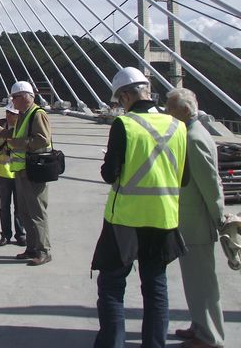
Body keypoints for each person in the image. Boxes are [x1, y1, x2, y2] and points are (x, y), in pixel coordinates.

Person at [92, 67, 187, 348]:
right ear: (147, 90)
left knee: (111, 287)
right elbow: (185, 177)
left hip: (125, 221)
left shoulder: (125, 125)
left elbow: (110, 174)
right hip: (164, 219)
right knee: (156, 288)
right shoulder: (178, 126)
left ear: (123, 97)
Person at [166, 88, 225, 348]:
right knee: (194, 281)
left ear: (185, 111)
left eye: (170, 107)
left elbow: (210, 184)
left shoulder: (193, 139)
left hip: (197, 223)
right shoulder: (191, 134)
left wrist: (219, 218)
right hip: (190, 222)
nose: (166, 112)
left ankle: (210, 337)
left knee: (203, 282)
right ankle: (199, 325)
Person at [0, 81, 53, 266]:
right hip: (21, 170)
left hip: (34, 170)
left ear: (25, 97)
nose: (12, 102)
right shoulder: (25, 115)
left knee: (37, 212)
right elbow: (20, 133)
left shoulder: (37, 114)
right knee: (25, 212)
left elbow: (42, 140)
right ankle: (32, 248)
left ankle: (43, 250)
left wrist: (15, 142)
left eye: (14, 98)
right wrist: (5, 134)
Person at [0, 101, 26, 247]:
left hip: (20, 173)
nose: (9, 116)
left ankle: (20, 234)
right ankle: (5, 235)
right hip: (3, 173)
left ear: (18, 115)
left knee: (20, 207)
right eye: (8, 113)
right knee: (4, 206)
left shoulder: (23, 128)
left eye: (12, 114)